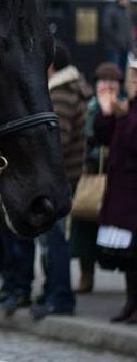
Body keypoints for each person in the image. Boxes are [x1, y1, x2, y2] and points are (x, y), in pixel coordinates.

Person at [31, 40, 87, 319]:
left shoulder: (62, 94)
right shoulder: (66, 89)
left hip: (59, 178)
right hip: (61, 177)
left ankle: (60, 296)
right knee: (52, 240)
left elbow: (58, 140)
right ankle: (53, 292)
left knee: (55, 241)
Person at [92, 56, 137, 324]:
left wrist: (123, 115)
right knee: (129, 258)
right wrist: (106, 112)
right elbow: (103, 137)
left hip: (132, 192)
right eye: (132, 78)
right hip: (122, 190)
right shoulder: (128, 108)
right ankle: (131, 302)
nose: (133, 83)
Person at [72, 61, 122, 293]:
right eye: (103, 81)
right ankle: (86, 274)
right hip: (91, 174)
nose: (107, 86)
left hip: (117, 176)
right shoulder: (90, 107)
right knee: (85, 223)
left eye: (112, 82)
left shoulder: (123, 108)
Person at [101, 0, 133, 77]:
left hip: (125, 48)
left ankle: (121, 89)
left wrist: (132, 47)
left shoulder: (126, 12)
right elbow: (106, 28)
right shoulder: (110, 10)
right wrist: (118, 40)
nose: (125, 0)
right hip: (113, 48)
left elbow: (128, 31)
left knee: (122, 71)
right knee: (114, 70)